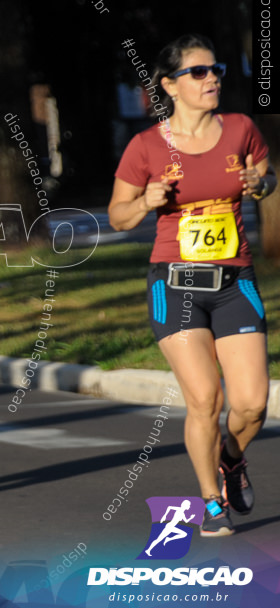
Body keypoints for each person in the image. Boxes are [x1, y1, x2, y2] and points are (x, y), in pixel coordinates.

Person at [109, 34, 274, 537]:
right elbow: (118, 215)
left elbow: (266, 174)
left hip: (234, 281)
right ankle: (210, 501)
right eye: (198, 72)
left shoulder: (241, 129)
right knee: (205, 398)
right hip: (174, 284)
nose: (212, 79)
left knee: (251, 404)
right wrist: (146, 202)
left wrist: (259, 184)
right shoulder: (146, 147)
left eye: (216, 70)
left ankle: (229, 457)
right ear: (169, 85)